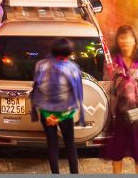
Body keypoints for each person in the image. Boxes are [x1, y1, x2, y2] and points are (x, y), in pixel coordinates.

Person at [102, 25, 138, 173]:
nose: (125, 41)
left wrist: (132, 83)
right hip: (121, 113)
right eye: (121, 37)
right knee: (117, 153)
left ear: (134, 40)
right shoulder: (113, 61)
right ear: (118, 40)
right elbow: (108, 84)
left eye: (128, 37)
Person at [31, 37, 86, 174]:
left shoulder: (41, 65)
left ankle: (55, 173)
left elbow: (36, 87)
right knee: (70, 145)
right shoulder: (73, 68)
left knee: (52, 144)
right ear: (68, 53)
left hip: (47, 113)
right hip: (65, 113)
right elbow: (78, 91)